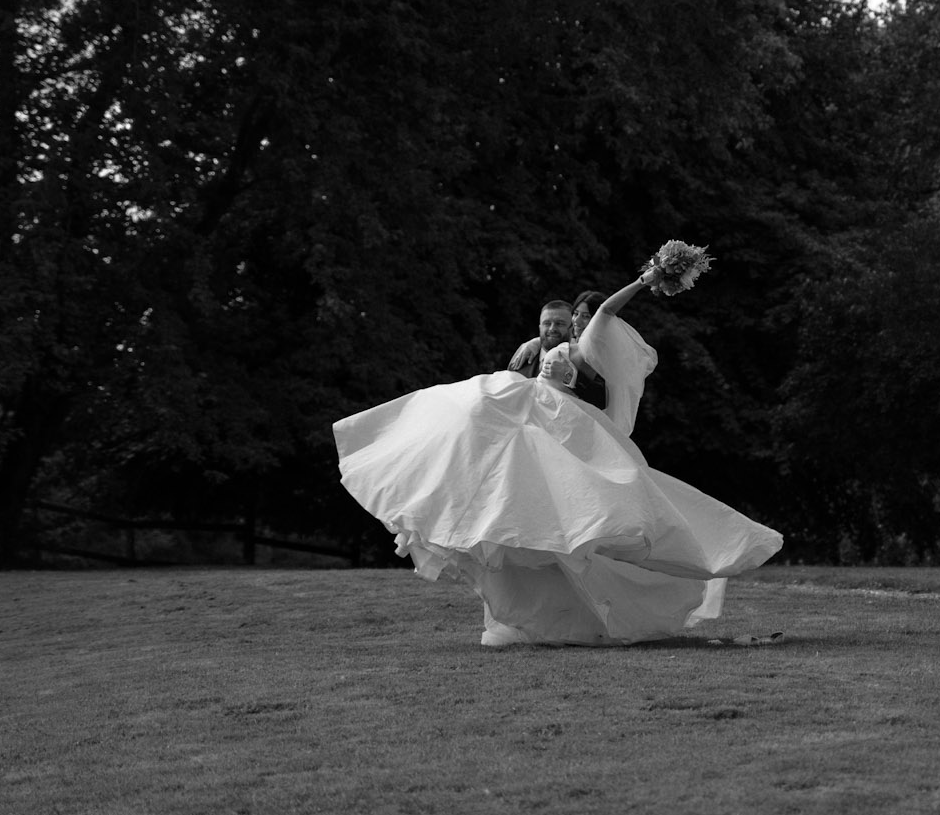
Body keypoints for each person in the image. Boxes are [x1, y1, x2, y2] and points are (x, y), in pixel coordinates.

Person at [332, 254, 782, 646]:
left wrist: (646, 279)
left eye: (576, 318)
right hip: (531, 408)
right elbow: (553, 343)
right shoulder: (556, 344)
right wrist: (538, 341)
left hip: (550, 414)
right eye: (568, 318)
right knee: (470, 422)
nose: (576, 322)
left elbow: (604, 313)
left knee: (553, 492)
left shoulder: (589, 343)